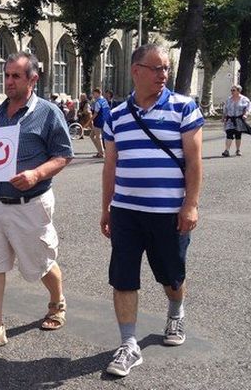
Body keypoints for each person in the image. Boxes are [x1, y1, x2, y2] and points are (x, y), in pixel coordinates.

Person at [101, 44, 203, 377]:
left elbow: (193, 161)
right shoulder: (115, 115)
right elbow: (110, 166)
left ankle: (176, 311)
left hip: (168, 213)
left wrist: (190, 205)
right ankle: (128, 345)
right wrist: (107, 209)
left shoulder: (183, 108)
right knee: (123, 277)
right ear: (136, 70)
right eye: (157, 68)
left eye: (166, 69)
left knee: (171, 275)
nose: (163, 75)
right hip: (126, 212)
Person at [0, 52, 73, 357]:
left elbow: (64, 154)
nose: (9, 81)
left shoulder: (49, 113)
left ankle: (57, 302)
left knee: (40, 264)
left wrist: (36, 173)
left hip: (30, 203)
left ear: (33, 79)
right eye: (7, 75)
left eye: (16, 76)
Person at [221, 84, 250, 157]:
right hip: (230, 119)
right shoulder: (228, 99)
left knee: (238, 135)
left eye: (233, 90)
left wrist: (245, 114)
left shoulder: (244, 99)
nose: (232, 91)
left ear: (238, 91)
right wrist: (223, 117)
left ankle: (238, 150)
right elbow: (225, 109)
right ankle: (226, 150)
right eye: (231, 90)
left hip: (239, 119)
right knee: (229, 134)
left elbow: (248, 108)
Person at [91, 88, 110, 158]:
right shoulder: (104, 100)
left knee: (98, 137)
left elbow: (95, 113)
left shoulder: (98, 102)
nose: (93, 95)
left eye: (94, 93)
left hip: (98, 121)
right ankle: (100, 151)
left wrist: (90, 121)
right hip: (105, 120)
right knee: (92, 136)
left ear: (98, 93)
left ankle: (101, 152)